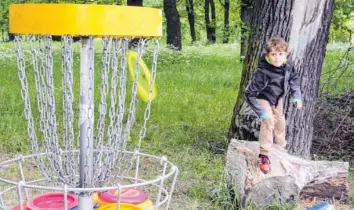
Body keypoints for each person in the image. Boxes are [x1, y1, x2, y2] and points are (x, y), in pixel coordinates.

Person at [245, 37, 303, 174]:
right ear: (267, 55)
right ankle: (264, 155)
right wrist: (262, 112)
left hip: (277, 98)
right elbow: (249, 94)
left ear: (286, 54)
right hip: (264, 97)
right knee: (268, 121)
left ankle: (281, 150)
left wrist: (297, 96)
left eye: (280, 54)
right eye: (273, 54)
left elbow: (294, 79)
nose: (277, 58)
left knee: (280, 123)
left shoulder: (287, 64)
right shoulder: (262, 71)